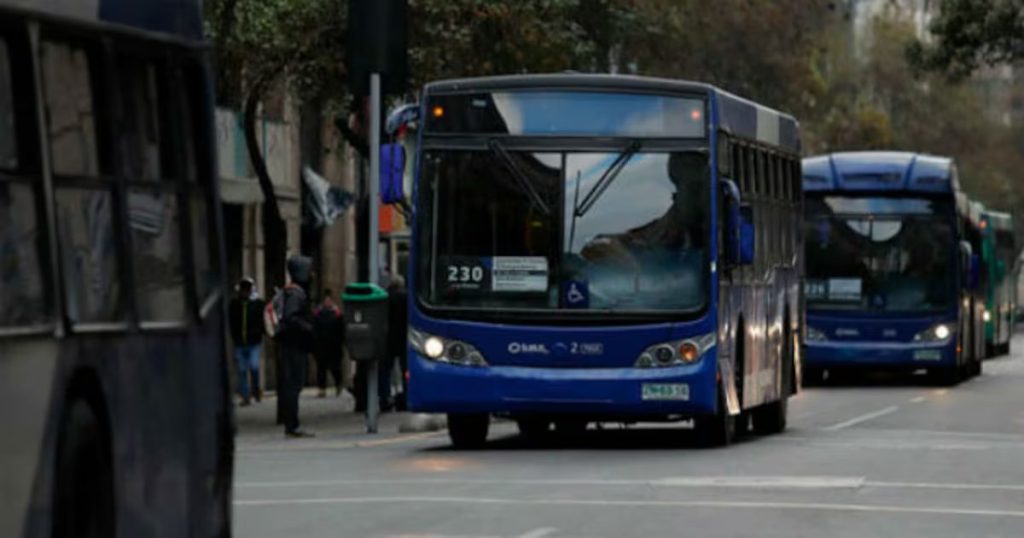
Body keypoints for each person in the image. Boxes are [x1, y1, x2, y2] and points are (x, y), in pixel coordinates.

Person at [276, 255, 315, 438]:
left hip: (290, 344)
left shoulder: (289, 292)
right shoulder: (296, 294)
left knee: (292, 384)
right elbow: (291, 317)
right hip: (294, 345)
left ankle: (290, 422)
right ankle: (292, 424)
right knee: (294, 384)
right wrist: (308, 328)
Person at [228, 278, 265, 406]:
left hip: (254, 342)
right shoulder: (234, 305)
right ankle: (245, 395)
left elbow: (262, 320)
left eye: (247, 290)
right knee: (242, 369)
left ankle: (256, 390)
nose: (245, 292)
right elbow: (231, 321)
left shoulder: (257, 305)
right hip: (240, 343)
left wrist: (260, 332)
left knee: (254, 367)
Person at [312, 289, 345, 398]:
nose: (327, 303)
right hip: (321, 345)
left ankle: (338, 383)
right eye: (326, 301)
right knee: (321, 368)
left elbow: (341, 330)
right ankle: (322, 388)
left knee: (334, 367)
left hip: (334, 345)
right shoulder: (318, 313)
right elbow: (315, 329)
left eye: (329, 301)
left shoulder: (337, 313)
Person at [386, 274, 409, 410]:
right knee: (405, 371)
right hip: (404, 337)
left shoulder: (385, 297)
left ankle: (385, 398)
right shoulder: (406, 297)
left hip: (387, 338)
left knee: (386, 371)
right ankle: (405, 398)